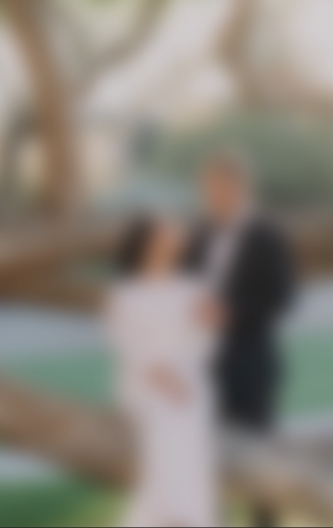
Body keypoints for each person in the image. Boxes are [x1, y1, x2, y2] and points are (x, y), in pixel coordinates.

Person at [188, 156, 297, 528]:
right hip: (202, 365)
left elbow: (283, 297)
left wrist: (232, 313)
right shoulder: (200, 233)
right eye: (208, 188)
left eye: (219, 186)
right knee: (207, 457)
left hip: (251, 363)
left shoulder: (267, 235)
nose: (212, 195)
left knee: (258, 458)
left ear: (239, 187)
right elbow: (186, 286)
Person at [106, 216, 220, 528]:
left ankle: (185, 515)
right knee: (167, 416)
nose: (171, 240)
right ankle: (176, 517)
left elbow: (204, 344)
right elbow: (127, 344)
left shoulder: (193, 289)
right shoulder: (126, 294)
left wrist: (209, 322)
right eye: (163, 236)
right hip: (144, 382)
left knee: (186, 411)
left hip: (188, 380)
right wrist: (161, 375)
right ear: (147, 244)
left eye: (172, 235)